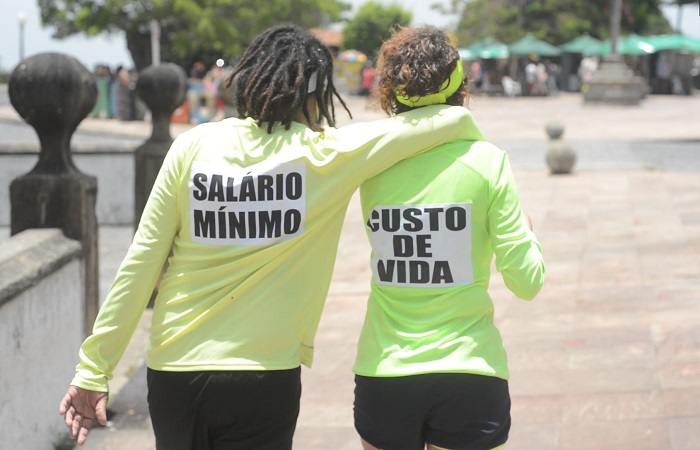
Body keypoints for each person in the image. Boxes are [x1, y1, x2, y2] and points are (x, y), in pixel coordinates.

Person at [58, 25, 482, 449]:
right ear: (316, 92)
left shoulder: (193, 147)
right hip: (264, 376)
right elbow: (438, 122)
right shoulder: (327, 155)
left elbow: (141, 264)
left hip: (175, 370)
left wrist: (94, 369)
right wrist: (464, 115)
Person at [352, 26, 546, 450]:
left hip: (385, 370)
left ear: (389, 90)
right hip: (470, 372)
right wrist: (527, 235)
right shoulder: (488, 162)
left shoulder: (369, 165)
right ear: (461, 88)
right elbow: (526, 282)